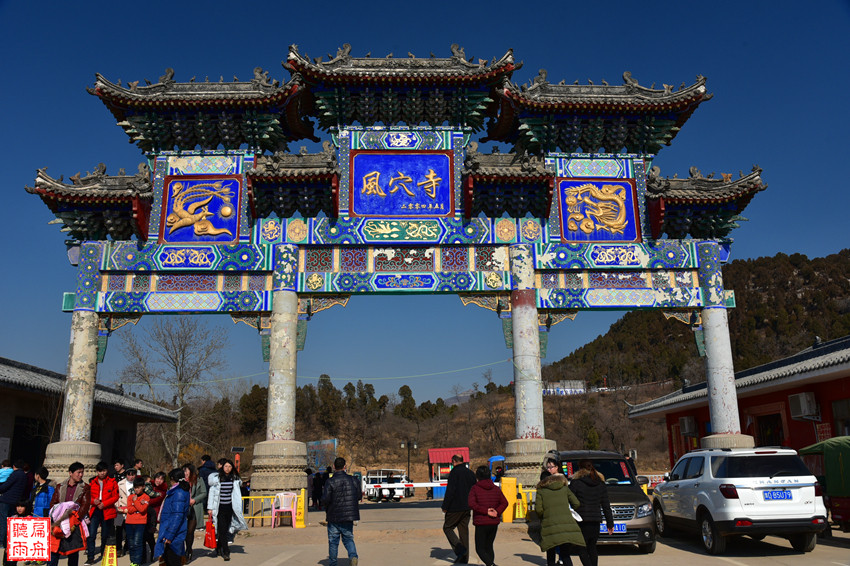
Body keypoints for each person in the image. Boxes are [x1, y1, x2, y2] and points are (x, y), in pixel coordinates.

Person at [536, 456, 586, 566]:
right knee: (565, 554)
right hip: (566, 524)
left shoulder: (541, 491)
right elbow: (576, 503)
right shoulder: (564, 487)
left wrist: (545, 516)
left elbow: (538, 510)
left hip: (549, 524)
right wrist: (567, 511)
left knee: (550, 553)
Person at [569, 460, 614, 566]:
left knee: (581, 548)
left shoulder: (576, 483)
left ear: (580, 469)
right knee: (592, 547)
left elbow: (569, 500)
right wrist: (610, 523)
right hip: (596, 521)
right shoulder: (600, 483)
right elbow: (606, 505)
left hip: (581, 521)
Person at [48, 462, 91, 566]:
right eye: (78, 472)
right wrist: (56, 516)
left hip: (74, 522)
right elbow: (53, 503)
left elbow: (85, 505)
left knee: (73, 551)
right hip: (58, 522)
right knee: (54, 550)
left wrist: (76, 518)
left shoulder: (85, 487)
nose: (81, 475)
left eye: (82, 472)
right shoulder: (60, 486)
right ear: (70, 473)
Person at [321, 457, 360, 566]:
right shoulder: (353, 480)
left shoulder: (330, 481)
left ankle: (333, 563)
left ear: (334, 466)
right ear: (345, 467)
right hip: (348, 516)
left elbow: (326, 499)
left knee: (333, 541)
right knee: (348, 538)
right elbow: (358, 496)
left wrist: (325, 505)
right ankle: (353, 556)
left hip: (333, 515)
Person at [207, 459, 247, 561]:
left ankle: (218, 547)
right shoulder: (217, 479)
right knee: (222, 530)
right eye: (226, 466)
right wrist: (210, 508)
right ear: (222, 467)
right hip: (219, 507)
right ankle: (226, 551)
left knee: (224, 530)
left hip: (230, 507)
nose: (227, 468)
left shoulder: (234, 479)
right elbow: (212, 494)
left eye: (229, 466)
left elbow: (236, 493)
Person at [467, 465, 508, 566]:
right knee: (489, 546)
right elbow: (505, 503)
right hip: (493, 522)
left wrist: (485, 511)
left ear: (477, 476)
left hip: (481, 522)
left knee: (480, 548)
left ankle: (491, 565)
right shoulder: (496, 489)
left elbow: (471, 504)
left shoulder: (475, 488)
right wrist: (497, 512)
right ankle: (490, 564)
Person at [441, 454, 477, 564]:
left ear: (454, 461)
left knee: (447, 528)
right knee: (463, 531)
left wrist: (445, 506)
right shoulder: (470, 473)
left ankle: (460, 549)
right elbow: (475, 489)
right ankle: (464, 558)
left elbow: (450, 491)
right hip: (467, 507)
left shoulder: (454, 473)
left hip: (455, 507)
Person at [85, 462, 119, 566]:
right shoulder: (92, 483)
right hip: (95, 510)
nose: (102, 473)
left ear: (107, 471)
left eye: (104, 471)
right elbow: (87, 497)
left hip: (107, 510)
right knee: (92, 534)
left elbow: (115, 496)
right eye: (100, 471)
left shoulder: (112, 482)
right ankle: (90, 557)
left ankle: (104, 553)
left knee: (105, 534)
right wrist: (93, 501)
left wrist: (105, 503)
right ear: (97, 471)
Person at [155, 469, 191, 566]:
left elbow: (177, 516)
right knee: (168, 559)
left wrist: (169, 535)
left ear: (172, 478)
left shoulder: (178, 492)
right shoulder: (177, 491)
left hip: (173, 531)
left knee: (173, 559)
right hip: (171, 529)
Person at [0, 460, 29, 548]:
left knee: (3, 520)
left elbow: (6, 486)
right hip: (16, 501)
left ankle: (2, 541)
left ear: (14, 466)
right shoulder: (24, 475)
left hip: (6, 500)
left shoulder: (15, 474)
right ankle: (9, 540)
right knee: (11, 520)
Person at [182, 463, 207, 562]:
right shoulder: (181, 481)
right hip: (183, 508)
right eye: (183, 471)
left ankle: (188, 550)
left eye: (186, 471)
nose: (185, 473)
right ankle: (184, 550)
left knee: (190, 531)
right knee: (183, 531)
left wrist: (194, 500)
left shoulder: (198, 479)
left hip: (195, 508)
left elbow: (204, 493)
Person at [124, 477, 150, 566]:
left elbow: (142, 510)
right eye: (135, 488)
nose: (136, 490)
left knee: (137, 543)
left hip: (140, 523)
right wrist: (138, 504)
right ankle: (132, 561)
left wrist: (135, 502)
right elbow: (130, 510)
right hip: (129, 522)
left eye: (138, 487)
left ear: (143, 487)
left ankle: (137, 562)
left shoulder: (146, 497)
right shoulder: (130, 497)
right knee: (131, 544)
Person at [144, 472, 168, 563]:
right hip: (144, 513)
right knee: (144, 535)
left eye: (161, 479)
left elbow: (155, 500)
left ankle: (154, 553)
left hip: (154, 514)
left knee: (150, 535)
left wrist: (143, 501)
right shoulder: (148, 485)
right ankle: (145, 555)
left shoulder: (163, 490)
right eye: (158, 478)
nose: (159, 481)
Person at [115, 468, 138, 558]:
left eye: (133, 475)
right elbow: (116, 495)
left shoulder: (137, 484)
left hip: (132, 508)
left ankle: (127, 547)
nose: (131, 477)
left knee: (130, 529)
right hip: (121, 509)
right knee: (119, 530)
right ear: (126, 475)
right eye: (129, 475)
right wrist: (117, 506)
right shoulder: (120, 484)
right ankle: (119, 548)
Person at [5, 499, 33, 566]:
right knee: (9, 563)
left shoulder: (30, 519)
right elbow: (8, 533)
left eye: (22, 506)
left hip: (24, 546)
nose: (19, 508)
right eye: (18, 506)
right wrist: (6, 545)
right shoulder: (13, 518)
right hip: (12, 545)